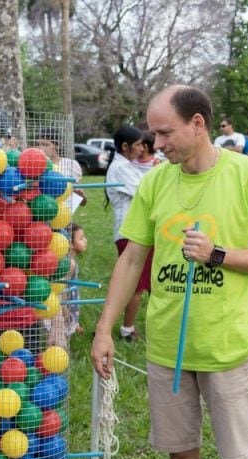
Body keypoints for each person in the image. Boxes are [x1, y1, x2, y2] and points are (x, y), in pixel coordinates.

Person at [92, 85, 248, 459]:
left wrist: (219, 254)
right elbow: (131, 262)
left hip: (227, 347)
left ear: (198, 124)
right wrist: (104, 329)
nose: (156, 145)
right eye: (153, 135)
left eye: (165, 133)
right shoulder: (156, 181)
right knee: (181, 454)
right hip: (167, 347)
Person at [105, 125, 151, 342]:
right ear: (125, 146)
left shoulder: (126, 165)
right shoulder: (120, 168)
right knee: (135, 285)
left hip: (135, 230)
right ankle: (127, 329)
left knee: (140, 283)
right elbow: (146, 191)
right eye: (138, 145)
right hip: (130, 232)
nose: (142, 148)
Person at [63, 223, 88, 338]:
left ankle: (74, 326)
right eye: (81, 238)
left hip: (69, 308)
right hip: (63, 308)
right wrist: (66, 314)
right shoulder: (69, 264)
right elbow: (62, 290)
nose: (85, 241)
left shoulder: (70, 261)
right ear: (70, 244)